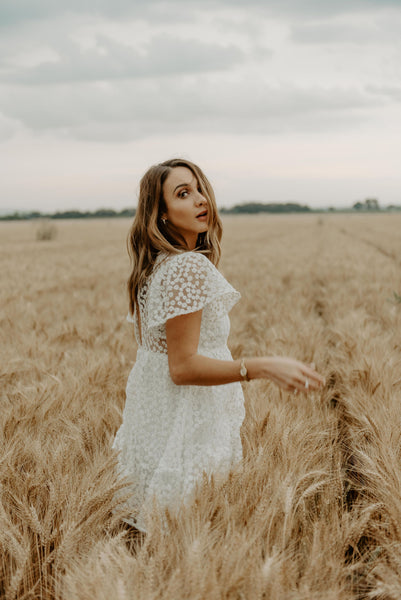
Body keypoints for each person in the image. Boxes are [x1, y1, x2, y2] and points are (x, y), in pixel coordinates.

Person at [112, 158, 325, 533]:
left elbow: (160, 358)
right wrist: (259, 366)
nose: (200, 199)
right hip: (186, 422)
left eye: (199, 188)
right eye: (183, 193)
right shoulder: (187, 269)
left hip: (156, 420)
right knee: (187, 533)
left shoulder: (157, 268)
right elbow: (182, 368)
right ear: (161, 214)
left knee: (159, 540)